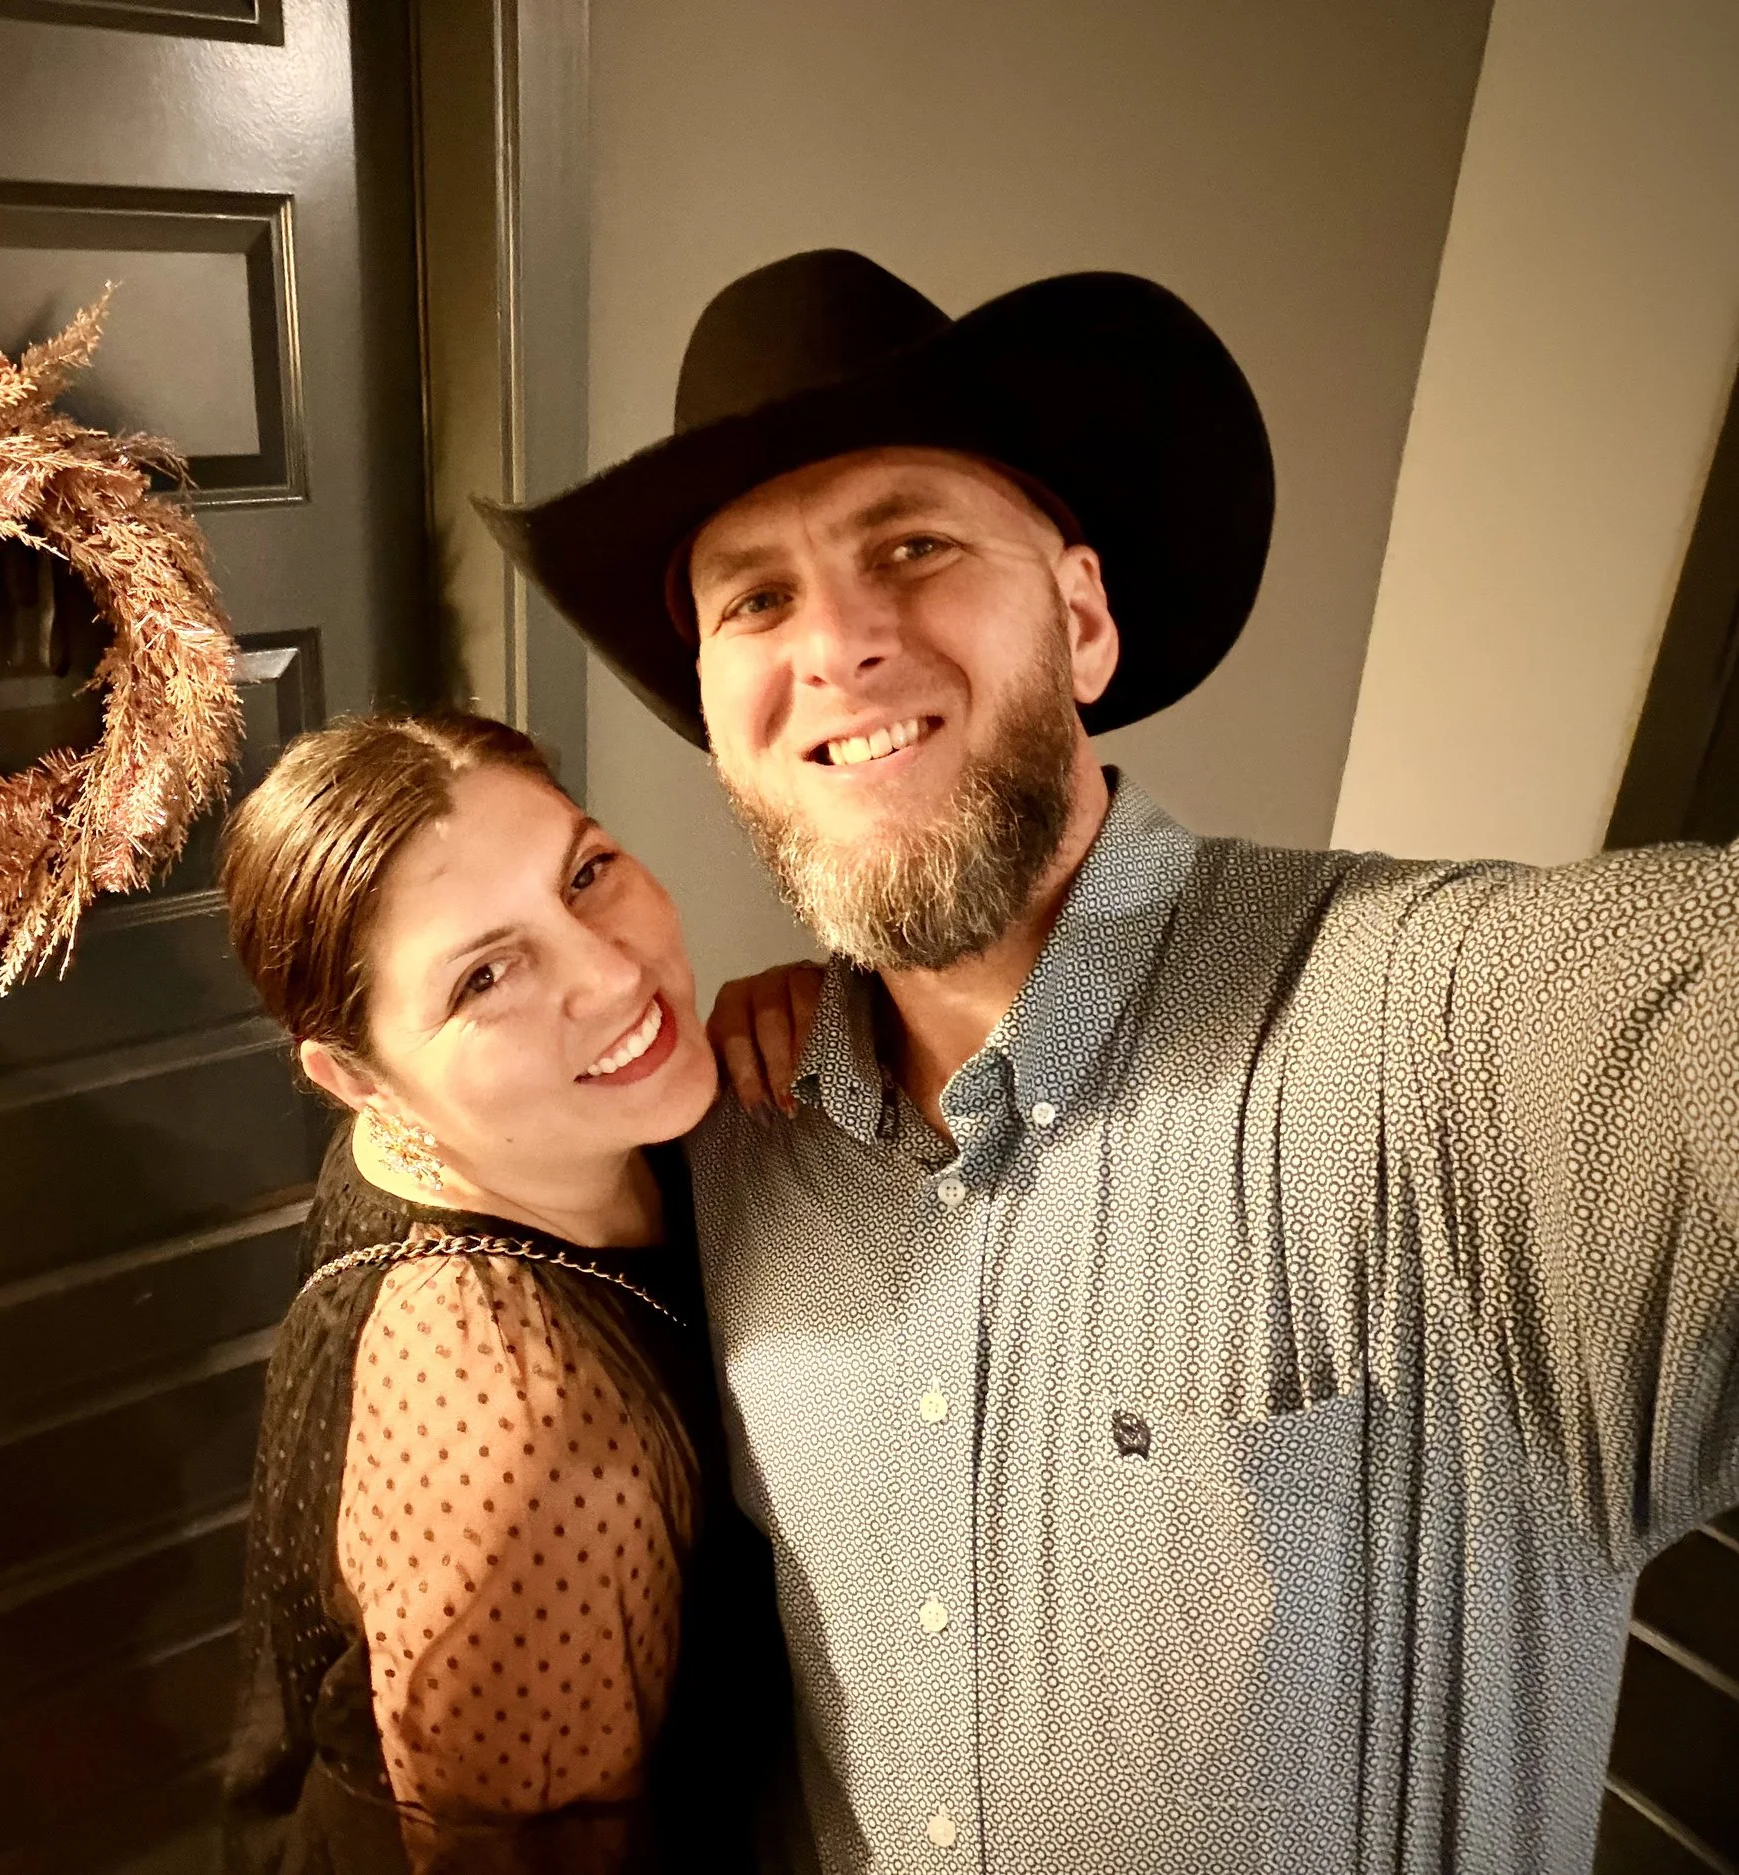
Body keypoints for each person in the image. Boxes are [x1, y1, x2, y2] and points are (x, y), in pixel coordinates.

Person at [478, 249, 1739, 1874]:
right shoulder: (737, 1149)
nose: (837, 643)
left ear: (1080, 616)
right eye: (756, 600)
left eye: (912, 546)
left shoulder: (1444, 1038)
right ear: (723, 708)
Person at [216, 713, 799, 1874]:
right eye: (483, 975)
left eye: (586, 873)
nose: (612, 971)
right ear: (355, 1079)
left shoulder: (466, 1138)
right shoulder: (531, 1451)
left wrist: (803, 1013)